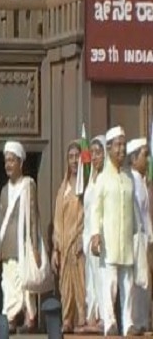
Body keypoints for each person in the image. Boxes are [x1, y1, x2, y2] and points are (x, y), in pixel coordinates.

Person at [91, 126, 135, 336]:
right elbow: (95, 211)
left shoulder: (129, 178)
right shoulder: (102, 179)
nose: (122, 149)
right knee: (111, 286)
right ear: (109, 149)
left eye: (124, 145)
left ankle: (128, 325)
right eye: (118, 145)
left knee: (128, 285)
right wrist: (95, 235)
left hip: (126, 241)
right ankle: (110, 323)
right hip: (109, 243)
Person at [0, 141, 40, 332]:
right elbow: (1, 221)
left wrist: (36, 247)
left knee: (26, 284)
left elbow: (33, 217)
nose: (8, 165)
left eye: (12, 160)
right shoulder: (4, 190)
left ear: (20, 162)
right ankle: (11, 319)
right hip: (7, 244)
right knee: (9, 284)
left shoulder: (28, 185)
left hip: (24, 244)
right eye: (6, 161)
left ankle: (30, 319)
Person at [52, 140, 86, 333]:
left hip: (79, 244)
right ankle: (67, 320)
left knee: (81, 282)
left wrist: (83, 237)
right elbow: (57, 220)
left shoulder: (86, 187)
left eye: (77, 157)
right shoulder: (62, 190)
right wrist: (56, 248)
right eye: (71, 157)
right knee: (65, 286)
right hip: (64, 246)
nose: (74, 160)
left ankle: (82, 318)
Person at [128, 137, 152, 333]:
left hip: (145, 238)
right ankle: (136, 322)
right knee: (137, 282)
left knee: (145, 282)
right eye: (145, 155)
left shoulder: (142, 182)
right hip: (136, 238)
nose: (148, 160)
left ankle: (144, 321)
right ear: (134, 158)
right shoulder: (131, 182)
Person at [83, 134, 106, 332]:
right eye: (94, 153)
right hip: (88, 238)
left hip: (102, 238)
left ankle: (102, 317)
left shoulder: (106, 180)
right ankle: (91, 316)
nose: (96, 157)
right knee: (91, 278)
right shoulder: (92, 180)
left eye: (99, 152)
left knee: (101, 277)